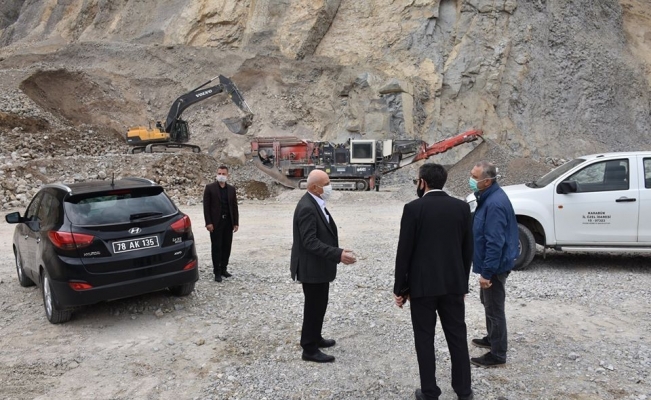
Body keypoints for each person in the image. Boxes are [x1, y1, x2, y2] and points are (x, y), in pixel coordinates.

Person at [394, 163, 474, 400]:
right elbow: (467, 250)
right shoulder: (461, 208)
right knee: (457, 337)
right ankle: (464, 390)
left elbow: (404, 252)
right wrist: (462, 283)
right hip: (453, 285)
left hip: (422, 287)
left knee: (424, 339)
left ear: (423, 182)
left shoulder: (413, 208)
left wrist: (400, 289)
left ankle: (429, 391)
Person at [291, 169, 357, 363]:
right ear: (314, 187)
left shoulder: (316, 202)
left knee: (320, 304)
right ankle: (309, 349)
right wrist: (338, 254)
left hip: (319, 266)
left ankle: (315, 337)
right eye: (326, 184)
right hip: (311, 268)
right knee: (313, 307)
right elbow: (309, 242)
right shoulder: (307, 207)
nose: (329, 187)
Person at [468, 160, 518, 368]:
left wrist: (487, 273)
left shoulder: (494, 204)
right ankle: (492, 338)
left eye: (474, 177)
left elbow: (495, 242)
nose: (471, 180)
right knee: (488, 303)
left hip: (495, 267)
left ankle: (498, 354)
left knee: (495, 308)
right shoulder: (488, 197)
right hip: (492, 264)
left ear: (487, 181)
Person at [203, 165, 239, 282]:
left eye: (223, 174)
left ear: (227, 175)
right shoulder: (210, 188)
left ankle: (224, 269)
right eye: (219, 173)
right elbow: (206, 207)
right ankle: (217, 272)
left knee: (227, 247)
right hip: (216, 223)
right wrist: (208, 222)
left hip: (228, 222)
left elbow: (234, 206)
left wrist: (236, 222)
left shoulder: (231, 189)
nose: (221, 176)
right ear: (216, 174)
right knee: (216, 247)